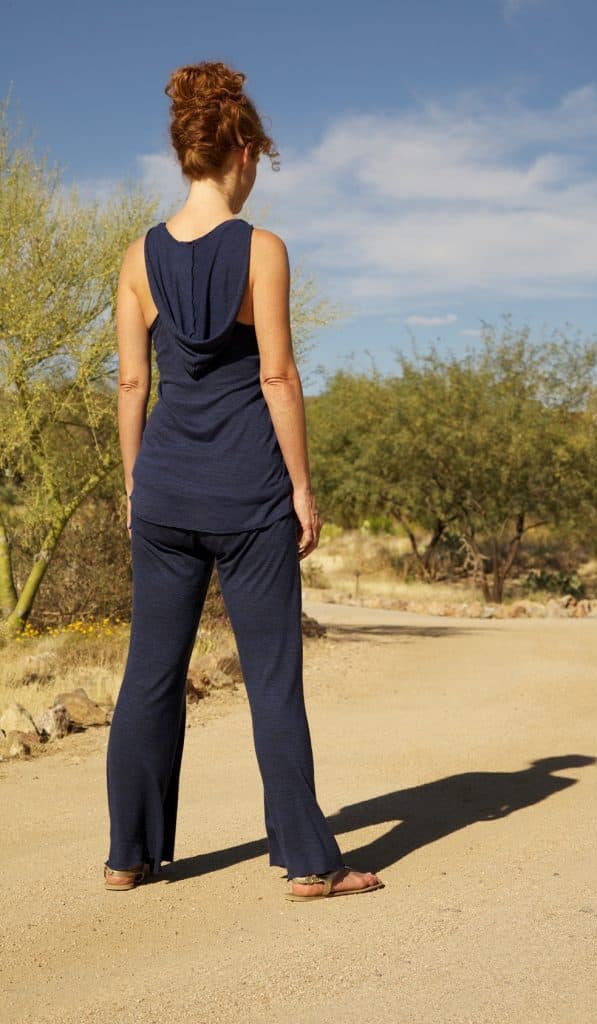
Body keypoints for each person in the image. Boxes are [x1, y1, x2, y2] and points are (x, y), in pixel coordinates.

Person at [103, 60, 384, 902]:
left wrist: (134, 483)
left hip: (164, 495)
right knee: (270, 679)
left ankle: (129, 855)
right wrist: (302, 486)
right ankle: (309, 862)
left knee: (150, 673)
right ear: (245, 153)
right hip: (250, 495)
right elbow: (277, 378)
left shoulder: (136, 258)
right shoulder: (262, 249)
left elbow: (129, 384)